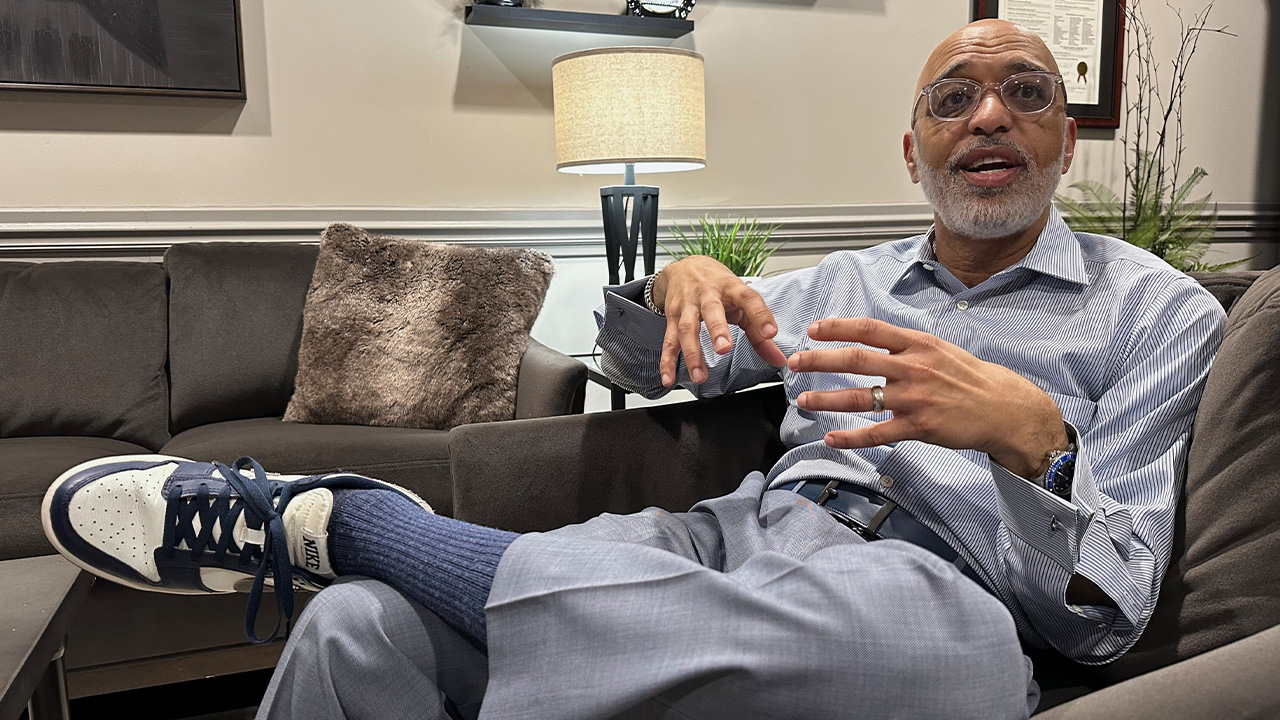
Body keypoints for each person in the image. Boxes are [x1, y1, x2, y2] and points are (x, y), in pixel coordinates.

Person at [41, 19, 1224, 720]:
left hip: (936, 580)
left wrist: (1034, 442)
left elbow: (1107, 613)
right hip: (741, 535)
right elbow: (662, 369)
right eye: (949, 98)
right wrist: (671, 286)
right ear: (907, 147)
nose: (986, 117)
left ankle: (359, 528)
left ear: (1064, 139)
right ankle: (376, 554)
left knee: (941, 663)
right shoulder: (838, 283)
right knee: (359, 635)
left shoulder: (1152, 313)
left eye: (1025, 94)